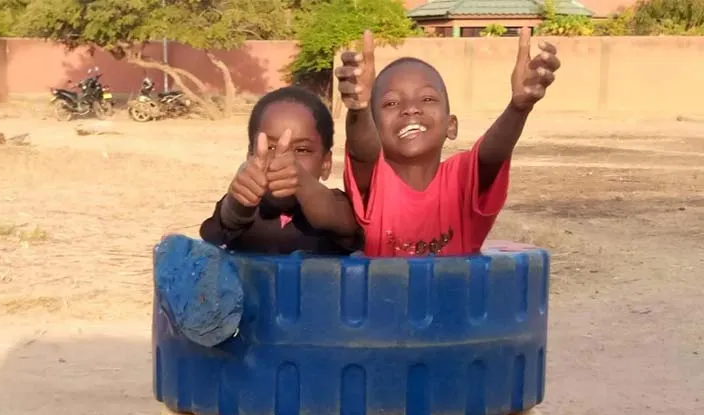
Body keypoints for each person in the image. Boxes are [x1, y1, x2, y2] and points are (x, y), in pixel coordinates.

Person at [335, 29, 560, 257]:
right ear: (374, 127)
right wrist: (359, 111)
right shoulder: (374, 182)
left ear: (450, 126)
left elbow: (491, 156)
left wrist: (518, 108)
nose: (411, 109)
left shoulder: (459, 180)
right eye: (391, 103)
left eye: (427, 99)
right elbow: (361, 152)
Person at [200, 86, 361, 254]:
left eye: (302, 150)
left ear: (325, 164)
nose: (284, 159)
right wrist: (239, 198)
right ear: (250, 155)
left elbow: (341, 220)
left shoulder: (336, 205)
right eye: (270, 147)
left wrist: (301, 180)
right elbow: (231, 219)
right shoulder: (245, 206)